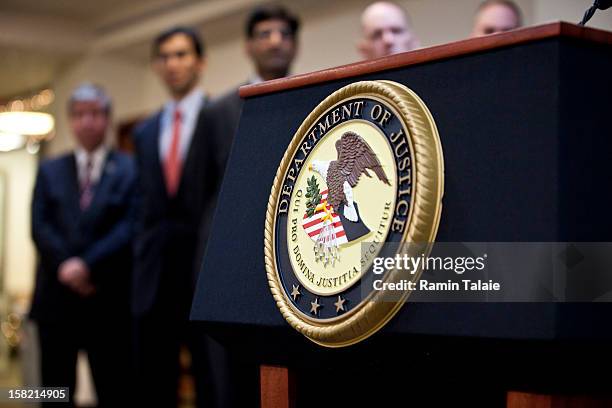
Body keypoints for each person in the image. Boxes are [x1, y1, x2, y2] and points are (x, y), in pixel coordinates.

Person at [131, 26, 227, 407]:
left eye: (182, 54)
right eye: (165, 56)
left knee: (210, 378)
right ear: (156, 65)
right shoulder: (144, 131)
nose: (173, 63)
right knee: (154, 379)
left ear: (200, 62)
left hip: (203, 271)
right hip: (155, 275)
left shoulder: (218, 115)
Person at [30, 83, 135, 407]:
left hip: (107, 301)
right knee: (53, 392)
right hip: (55, 300)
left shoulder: (130, 168)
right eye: (78, 115)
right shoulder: (49, 170)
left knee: (114, 390)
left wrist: (87, 265)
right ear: (70, 121)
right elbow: (39, 225)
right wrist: (65, 265)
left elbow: (129, 227)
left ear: (106, 118)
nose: (86, 122)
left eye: (93, 114)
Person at [203, 4, 300, 166]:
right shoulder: (217, 113)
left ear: (296, 47)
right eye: (264, 34)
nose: (275, 42)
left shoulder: (316, 102)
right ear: (248, 47)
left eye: (285, 34)